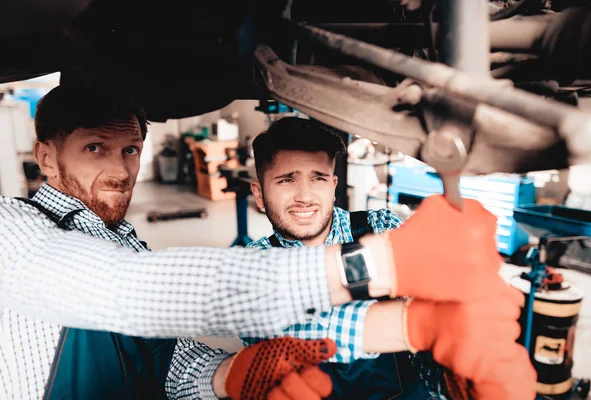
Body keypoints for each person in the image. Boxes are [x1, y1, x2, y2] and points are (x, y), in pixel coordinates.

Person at [0, 85, 535, 400]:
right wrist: (385, 276)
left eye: (131, 150)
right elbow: (122, 289)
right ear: (46, 158)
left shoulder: (130, 248)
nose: (121, 170)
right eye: (95, 147)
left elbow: (180, 371)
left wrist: (230, 377)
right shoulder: (11, 228)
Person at [176, 118, 537, 400]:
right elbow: (284, 338)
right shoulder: (249, 265)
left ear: (334, 186)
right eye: (286, 180)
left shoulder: (381, 227)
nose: (305, 196)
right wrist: (410, 313)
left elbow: (435, 343)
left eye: (318, 178)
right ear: (258, 192)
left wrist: (456, 378)